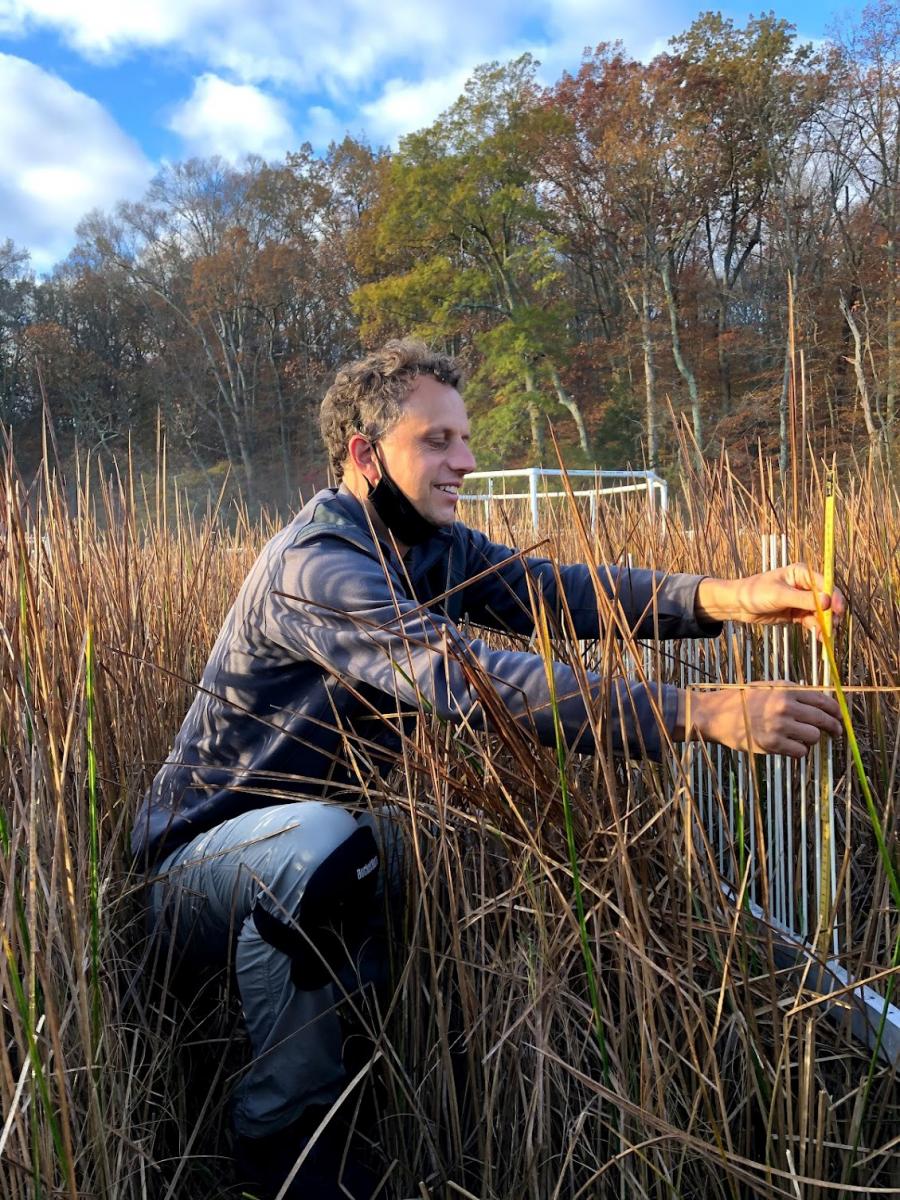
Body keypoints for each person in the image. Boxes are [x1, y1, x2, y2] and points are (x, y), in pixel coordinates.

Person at [133, 339, 843, 1198]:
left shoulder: (431, 546)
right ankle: (282, 1136)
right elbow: (466, 672)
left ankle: (363, 1059)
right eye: (437, 441)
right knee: (327, 847)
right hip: (196, 871)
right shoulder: (316, 565)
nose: (466, 460)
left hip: (310, 852)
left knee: (399, 847)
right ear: (366, 454)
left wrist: (726, 597)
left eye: (463, 439)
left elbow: (554, 589)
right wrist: (697, 711)